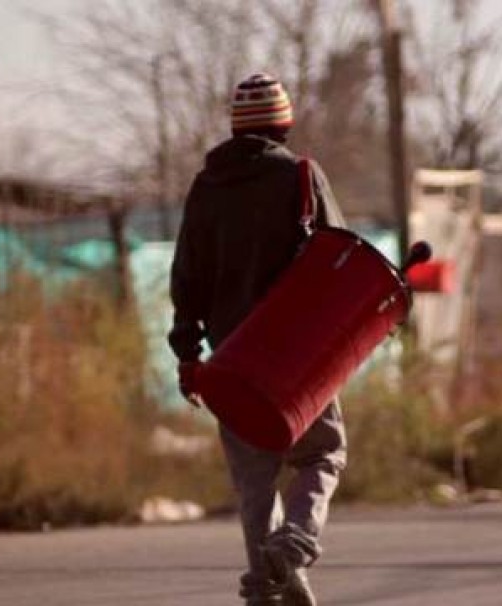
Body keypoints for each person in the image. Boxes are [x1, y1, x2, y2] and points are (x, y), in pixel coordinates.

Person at [168, 73, 347, 606]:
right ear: (283, 124)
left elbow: (186, 279)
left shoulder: (205, 188)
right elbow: (341, 255)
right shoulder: (300, 177)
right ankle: (296, 541)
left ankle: (274, 588)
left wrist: (187, 355)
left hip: (232, 359)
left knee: (254, 482)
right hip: (298, 357)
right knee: (323, 454)